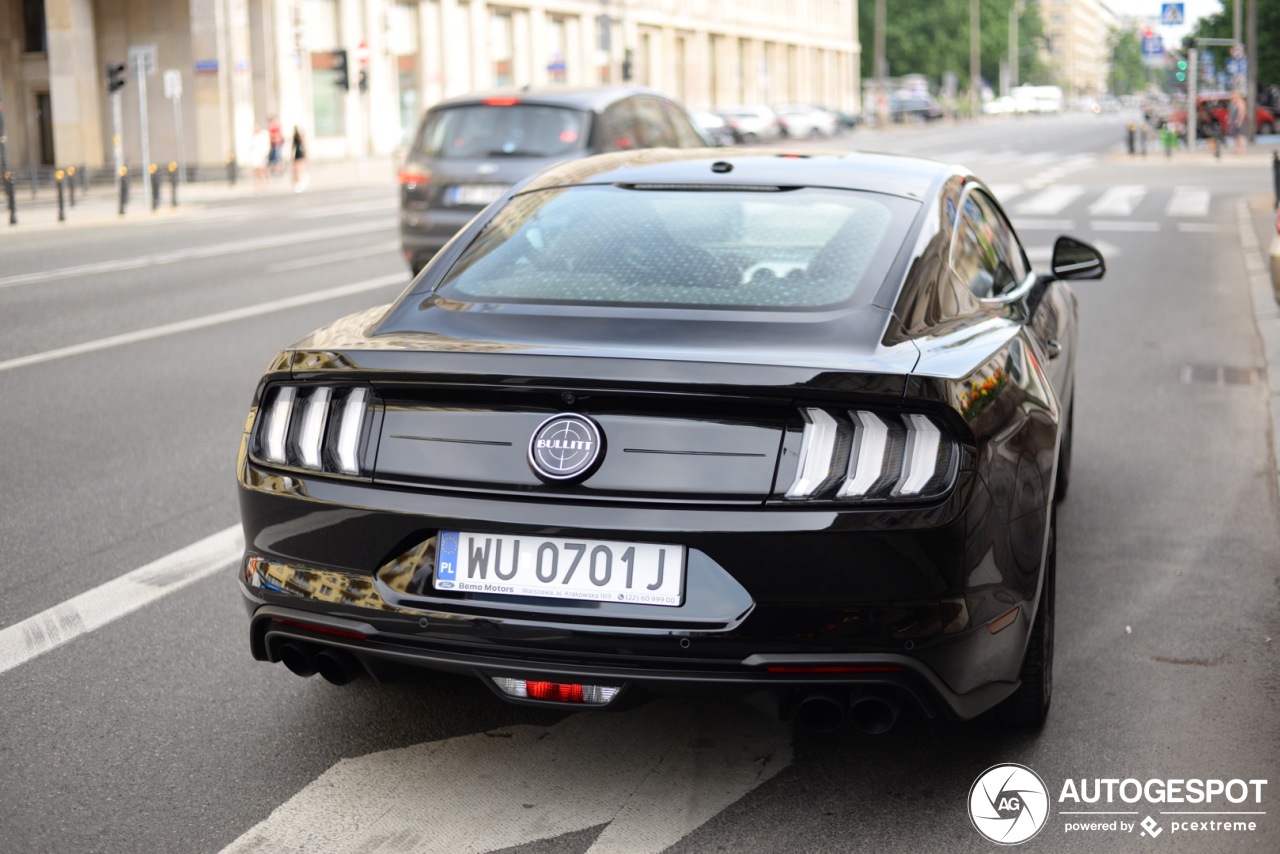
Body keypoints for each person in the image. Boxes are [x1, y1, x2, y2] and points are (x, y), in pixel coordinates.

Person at [250, 123, 271, 188]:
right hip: (255, 155)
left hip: (262, 155)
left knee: (263, 169)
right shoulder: (253, 136)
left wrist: (266, 153)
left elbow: (266, 145)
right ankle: (257, 184)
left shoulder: (263, 135)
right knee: (256, 170)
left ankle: (265, 182)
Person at [291, 126, 309, 192]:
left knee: (301, 169)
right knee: (296, 169)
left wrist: (306, 155)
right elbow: (292, 146)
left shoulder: (302, 137)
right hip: (297, 154)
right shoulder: (295, 137)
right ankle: (298, 182)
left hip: (301, 154)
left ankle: (301, 182)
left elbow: (305, 145)